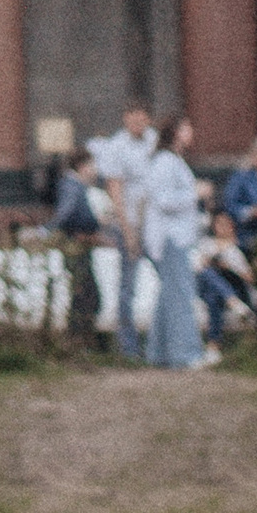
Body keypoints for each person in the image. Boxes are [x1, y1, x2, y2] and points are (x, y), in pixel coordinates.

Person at [87, 101, 159, 358]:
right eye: (133, 118)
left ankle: (159, 343)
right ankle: (129, 349)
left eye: (143, 118)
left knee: (167, 279)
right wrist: (128, 231)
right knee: (128, 286)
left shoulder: (154, 142)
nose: (139, 123)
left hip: (155, 223)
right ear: (125, 119)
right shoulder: (117, 147)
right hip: (130, 223)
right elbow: (115, 190)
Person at [142, 117, 209, 370]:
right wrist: (196, 193)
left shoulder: (175, 162)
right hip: (169, 238)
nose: (190, 133)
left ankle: (158, 352)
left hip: (178, 236)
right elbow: (163, 201)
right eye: (185, 129)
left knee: (168, 294)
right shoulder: (164, 162)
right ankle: (185, 353)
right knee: (181, 294)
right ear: (174, 133)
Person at [51, 149, 108, 339]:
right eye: (92, 166)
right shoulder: (73, 186)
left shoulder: (76, 186)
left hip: (81, 243)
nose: (95, 171)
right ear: (83, 166)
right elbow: (66, 213)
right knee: (86, 295)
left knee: (84, 294)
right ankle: (78, 339)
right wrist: (49, 229)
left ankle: (79, 339)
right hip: (75, 244)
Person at [194, 207, 255, 349]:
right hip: (205, 282)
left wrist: (229, 268)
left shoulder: (238, 248)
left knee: (213, 297)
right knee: (208, 273)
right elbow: (199, 267)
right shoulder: (206, 244)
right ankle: (233, 302)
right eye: (219, 224)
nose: (222, 228)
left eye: (226, 224)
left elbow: (249, 277)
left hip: (230, 284)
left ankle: (213, 344)